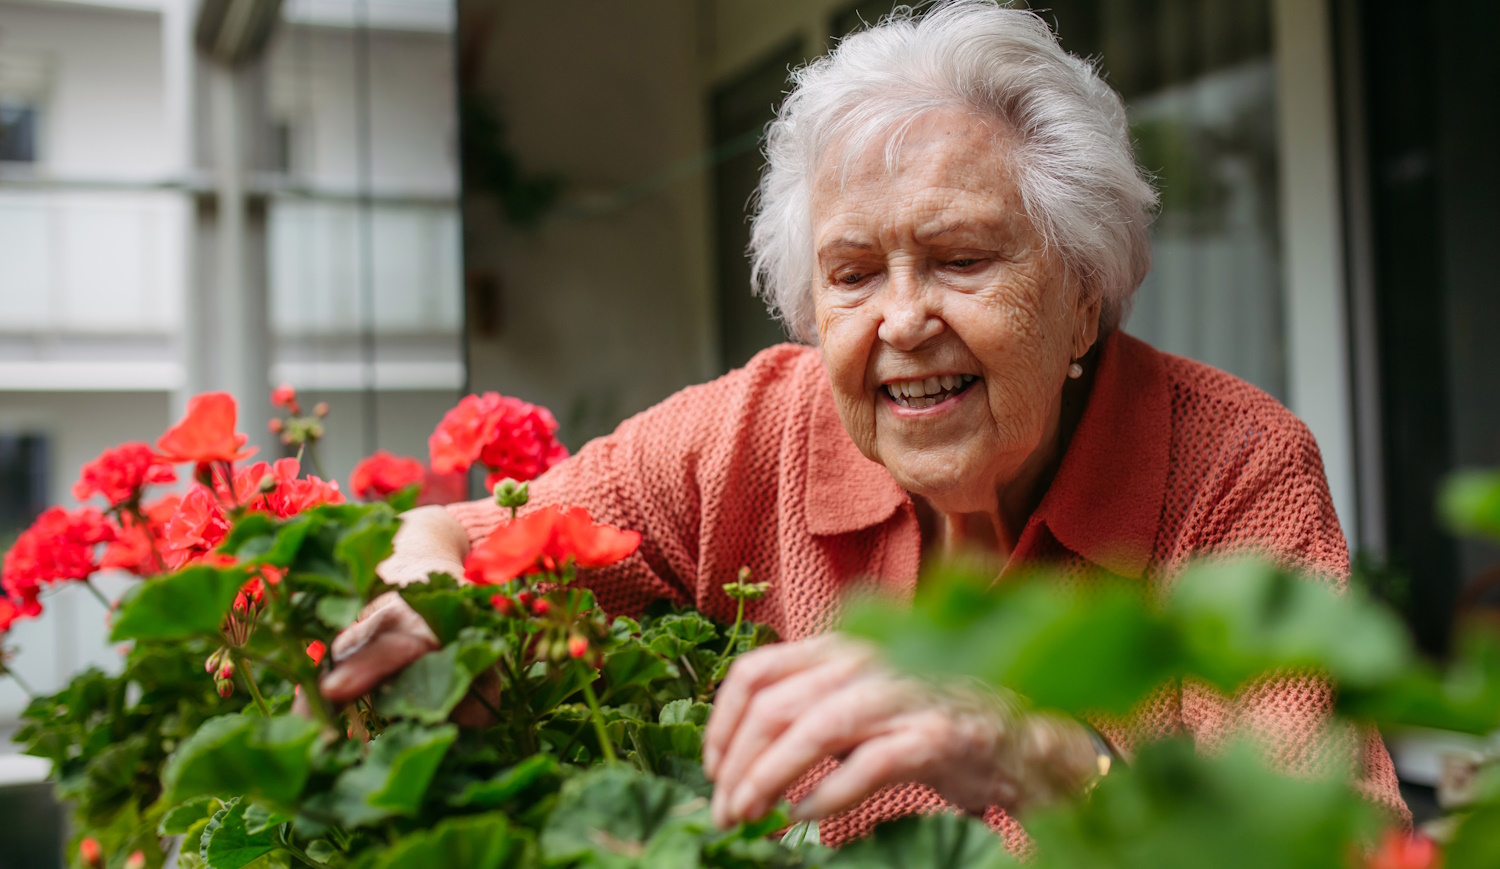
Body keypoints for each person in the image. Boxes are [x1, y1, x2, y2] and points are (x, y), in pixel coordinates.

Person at [318, 0, 1409, 849]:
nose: (901, 319)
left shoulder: (1231, 468)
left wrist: (1036, 749)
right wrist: (427, 579)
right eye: (852, 273)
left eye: (962, 260)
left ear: (1086, 295)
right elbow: (471, 538)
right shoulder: (758, 429)